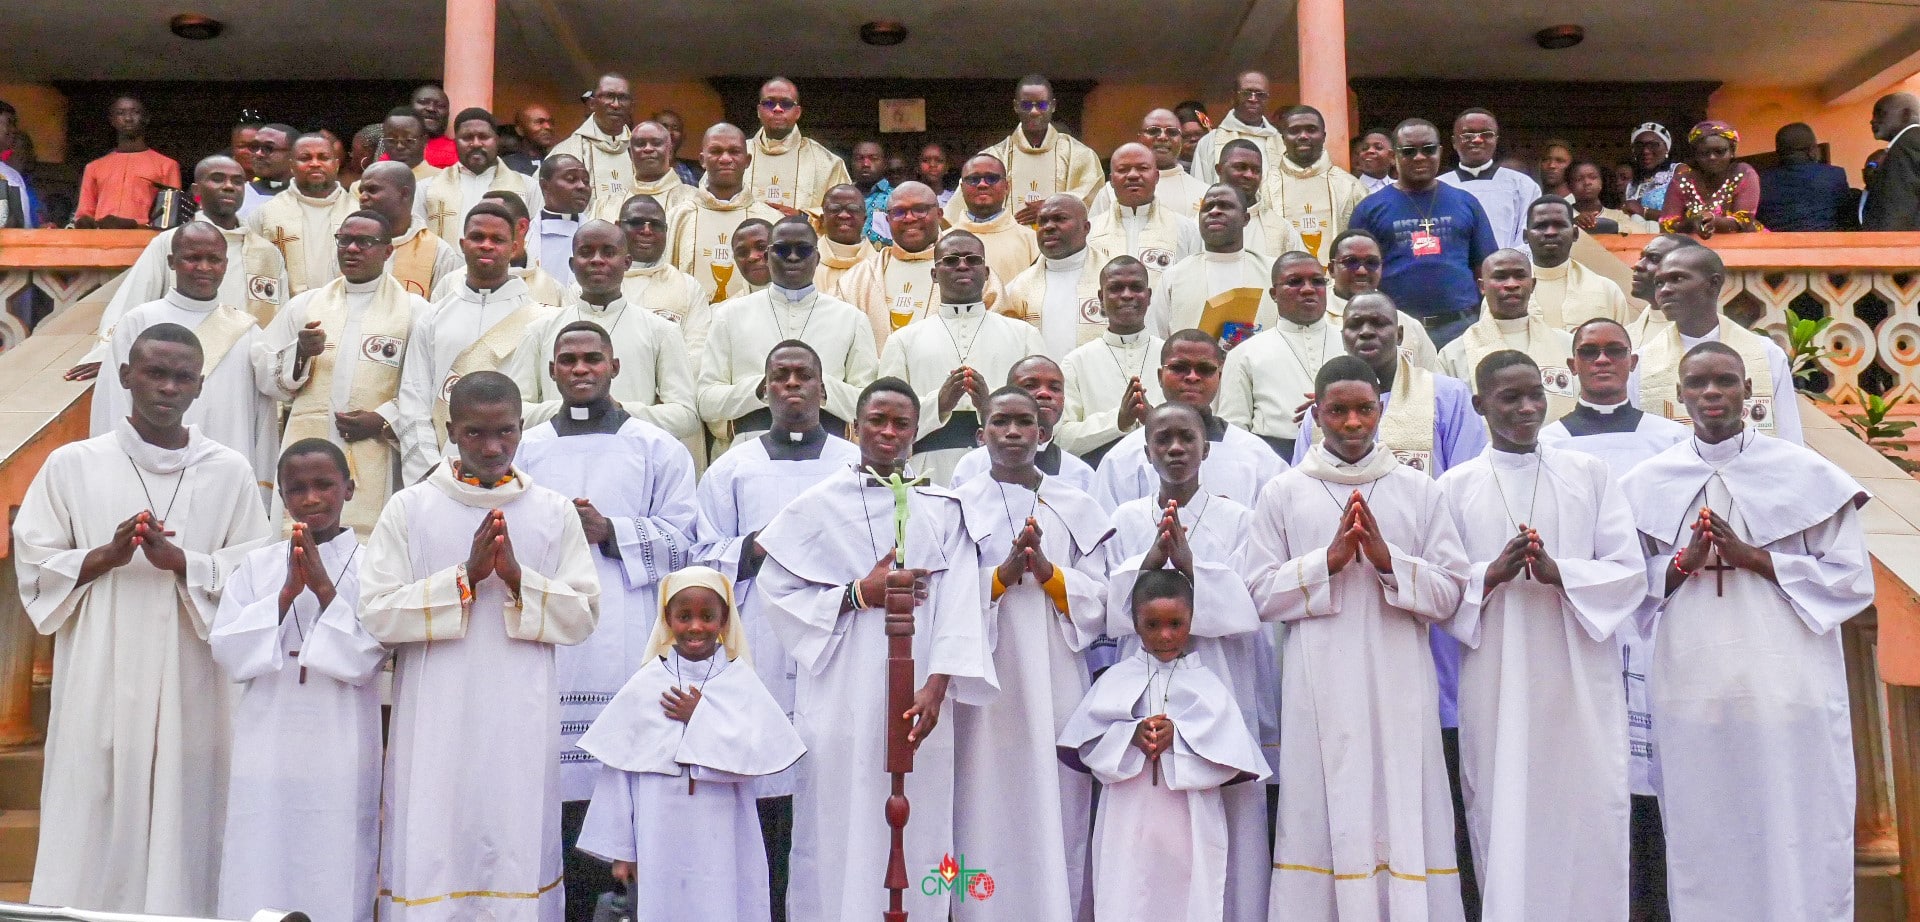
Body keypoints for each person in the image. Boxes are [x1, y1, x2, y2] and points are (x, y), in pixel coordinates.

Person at [16, 322, 270, 915]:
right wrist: (103, 556)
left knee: (187, 806)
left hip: (192, 672)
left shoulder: (228, 470)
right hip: (101, 668)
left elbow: (255, 571)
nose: (167, 388)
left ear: (200, 386)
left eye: (183, 377)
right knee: (93, 799)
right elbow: (33, 560)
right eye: (155, 373)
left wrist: (184, 562)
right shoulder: (73, 465)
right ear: (126, 375)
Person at [1621, 343, 1874, 921]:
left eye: (1725, 382)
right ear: (1680, 396)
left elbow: (1851, 581)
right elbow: (1624, 587)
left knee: (1795, 826)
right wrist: (1682, 564)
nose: (1712, 394)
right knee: (1707, 833)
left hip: (1790, 688)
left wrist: (1757, 558)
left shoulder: (1804, 473)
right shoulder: (1647, 482)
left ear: (1749, 393)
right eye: (1698, 384)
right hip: (1693, 692)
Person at [360, 371, 599, 922]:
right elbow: (375, 612)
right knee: (435, 830)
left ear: (522, 428)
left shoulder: (551, 510)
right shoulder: (410, 508)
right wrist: (464, 579)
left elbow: (584, 613)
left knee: (514, 827)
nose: (493, 448)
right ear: (450, 430)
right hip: (436, 715)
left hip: (520, 710)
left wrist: (519, 580)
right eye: (475, 434)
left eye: (506, 433)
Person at [755, 377, 992, 921]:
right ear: (853, 428)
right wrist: (861, 593)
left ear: (916, 432)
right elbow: (777, 593)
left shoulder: (944, 509)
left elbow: (961, 600)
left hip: (921, 698)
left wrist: (938, 685)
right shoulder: (815, 508)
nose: (888, 432)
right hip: (844, 690)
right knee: (842, 815)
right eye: (877, 421)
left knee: (925, 818)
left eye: (901, 423)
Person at [1249, 355, 1470, 922]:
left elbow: (1449, 594)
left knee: (1401, 799)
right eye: (1338, 411)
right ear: (1316, 414)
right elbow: (1256, 595)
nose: (1352, 423)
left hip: (1400, 677)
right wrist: (1327, 561)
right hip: (1316, 681)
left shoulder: (1420, 491)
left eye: (1364, 410)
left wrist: (1386, 560)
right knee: (1323, 804)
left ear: (1381, 410)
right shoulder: (1283, 491)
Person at [1438, 350, 1645, 922]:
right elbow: (1443, 589)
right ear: (1480, 405)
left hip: (1580, 676)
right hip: (1498, 680)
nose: (1528, 408)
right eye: (1510, 397)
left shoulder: (1588, 474)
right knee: (1504, 807)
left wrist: (1560, 574)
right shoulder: (1454, 488)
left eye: (1536, 394)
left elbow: (1628, 572)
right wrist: (1491, 576)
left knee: (1589, 805)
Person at [514, 319, 698, 920]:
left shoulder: (656, 447)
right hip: (544, 627)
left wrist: (612, 532)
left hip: (625, 621)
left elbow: (688, 540)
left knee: (618, 778)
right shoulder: (527, 448)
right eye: (567, 360)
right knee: (549, 784)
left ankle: (622, 898)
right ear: (551, 372)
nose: (580, 369)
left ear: (615, 366)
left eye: (592, 358)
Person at [692, 340, 860, 912]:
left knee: (829, 786)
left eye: (804, 375)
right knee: (765, 798)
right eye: (780, 376)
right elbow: (700, 554)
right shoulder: (733, 468)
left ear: (823, 389)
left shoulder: (852, 464)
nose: (792, 385)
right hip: (758, 642)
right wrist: (756, 546)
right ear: (764, 390)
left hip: (839, 641)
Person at [1100, 401, 1278, 920]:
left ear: (1205, 447)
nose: (1175, 449)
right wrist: (1150, 566)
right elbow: (1106, 614)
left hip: (1222, 675)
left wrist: (1193, 568)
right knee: (1153, 821)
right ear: (1147, 449)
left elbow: (1253, 605)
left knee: (1229, 811)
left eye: (1187, 438)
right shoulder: (1126, 519)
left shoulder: (1240, 518)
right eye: (1163, 440)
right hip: (1146, 682)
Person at [1540, 317, 1688, 922]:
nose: (1602, 361)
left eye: (1614, 352)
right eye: (1589, 352)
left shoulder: (1670, 440)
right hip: (1582, 619)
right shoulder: (1546, 440)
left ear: (1632, 363)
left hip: (1659, 617)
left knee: (1662, 775)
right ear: (1571, 366)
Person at [949, 385, 1112, 921]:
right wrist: (997, 580)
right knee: (981, 801)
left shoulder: (1077, 505)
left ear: (1044, 434)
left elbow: (1105, 599)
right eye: (1001, 422)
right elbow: (942, 600)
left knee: (1056, 800)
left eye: (1026, 422)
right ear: (981, 434)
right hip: (982, 684)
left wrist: (1048, 573)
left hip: (1056, 676)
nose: (1014, 432)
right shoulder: (955, 506)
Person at [209, 440, 386, 922]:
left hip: (341, 743)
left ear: (349, 488)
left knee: (336, 857)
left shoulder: (375, 565)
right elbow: (230, 652)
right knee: (260, 851)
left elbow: (368, 658)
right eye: (297, 489)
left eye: (324, 485)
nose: (311, 499)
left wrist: (325, 590)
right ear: (282, 498)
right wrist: (285, 593)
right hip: (267, 741)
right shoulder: (257, 567)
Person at [574, 565, 805, 922]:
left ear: (724, 619)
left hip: (724, 835)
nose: (696, 626)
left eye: (707, 616)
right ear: (667, 618)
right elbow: (618, 774)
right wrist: (622, 850)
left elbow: (755, 752)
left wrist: (701, 717)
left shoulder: (741, 682)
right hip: (658, 832)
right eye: (684, 616)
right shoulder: (646, 683)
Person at [1059, 569, 1269, 922]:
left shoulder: (1208, 684)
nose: (1165, 635)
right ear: (1135, 624)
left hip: (1190, 821)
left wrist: (1181, 737)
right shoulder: (1115, 679)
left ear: (1191, 620)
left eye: (1175, 623)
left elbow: (1232, 758)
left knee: (1188, 898)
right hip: (1128, 820)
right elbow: (1087, 748)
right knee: (1126, 895)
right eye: (1152, 624)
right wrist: (1129, 735)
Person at [260, 210, 430, 534]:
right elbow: (265, 374)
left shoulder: (414, 311)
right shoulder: (306, 305)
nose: (352, 249)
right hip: (310, 442)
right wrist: (300, 354)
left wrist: (384, 419)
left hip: (376, 450)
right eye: (345, 240)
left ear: (388, 250)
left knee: (366, 550)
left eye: (364, 242)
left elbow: (425, 385)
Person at [93, 224, 289, 498]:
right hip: (143, 472)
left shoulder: (247, 332)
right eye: (192, 258)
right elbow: (113, 401)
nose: (204, 268)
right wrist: (113, 466)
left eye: (214, 260)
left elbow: (264, 414)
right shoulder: (139, 321)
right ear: (172, 262)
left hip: (222, 480)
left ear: (225, 264)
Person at [77, 155, 287, 383]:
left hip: (246, 373)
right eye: (217, 179)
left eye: (237, 182)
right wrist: (107, 352)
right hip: (179, 372)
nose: (229, 186)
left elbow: (280, 318)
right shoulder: (171, 242)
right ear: (196, 189)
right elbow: (133, 298)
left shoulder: (266, 253)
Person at [397, 202, 560, 483]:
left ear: (514, 247)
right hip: (443, 470)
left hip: (518, 471)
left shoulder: (542, 321)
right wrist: (431, 471)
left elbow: (545, 404)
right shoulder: (433, 318)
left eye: (497, 239)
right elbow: (414, 398)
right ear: (462, 243)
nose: (486, 245)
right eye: (477, 237)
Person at [508, 220, 700, 443]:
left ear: (627, 262)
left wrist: (616, 410)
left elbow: (686, 416)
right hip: (557, 455)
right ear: (572, 264)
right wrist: (570, 409)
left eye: (608, 252)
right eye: (586, 252)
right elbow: (515, 412)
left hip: (631, 454)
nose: (597, 260)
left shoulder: (661, 330)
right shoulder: (539, 330)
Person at [878, 231, 1046, 485]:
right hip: (929, 468)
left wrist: (989, 407)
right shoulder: (903, 340)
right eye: (951, 260)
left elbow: (1042, 410)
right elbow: (886, 416)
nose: (963, 265)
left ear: (986, 272)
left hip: (1004, 466)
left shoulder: (1024, 335)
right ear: (934, 274)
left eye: (972, 259)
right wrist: (940, 405)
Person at [699, 217, 878, 448]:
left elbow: (867, 404)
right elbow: (706, 401)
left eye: (803, 250)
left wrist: (819, 388)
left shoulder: (852, 319)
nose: (793, 257)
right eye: (782, 250)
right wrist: (762, 387)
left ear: (817, 258)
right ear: (766, 257)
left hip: (830, 450)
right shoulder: (730, 315)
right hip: (752, 448)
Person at [1295, 291, 1487, 475]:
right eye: (1355, 325)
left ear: (1399, 334)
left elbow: (1466, 479)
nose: (1366, 332)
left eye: (1379, 323)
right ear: (1343, 337)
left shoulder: (1448, 395)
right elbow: (1300, 486)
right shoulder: (1322, 410)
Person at [1093, 330, 1284, 511]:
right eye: (1179, 368)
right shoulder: (1122, 458)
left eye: (1205, 369)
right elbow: (1106, 535)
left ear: (1219, 376)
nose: (1192, 377)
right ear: (1160, 377)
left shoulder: (1257, 456)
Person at [1348, 118, 1499, 348]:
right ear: (1393, 157)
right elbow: (1356, 272)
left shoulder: (1466, 202)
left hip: (1462, 326)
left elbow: (1486, 267)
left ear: (1439, 151)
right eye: (1409, 151)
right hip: (1397, 328)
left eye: (1428, 149)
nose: (1419, 157)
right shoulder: (1369, 208)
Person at [1636, 245, 1802, 445]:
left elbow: (1789, 434)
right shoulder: (1642, 363)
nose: (1664, 291)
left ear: (1713, 283)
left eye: (1677, 279)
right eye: (1659, 283)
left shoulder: (1766, 353)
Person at [837, 181, 1007, 345]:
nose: (909, 218)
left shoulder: (972, 272)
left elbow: (996, 337)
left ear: (939, 214)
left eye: (919, 210)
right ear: (888, 220)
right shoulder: (858, 278)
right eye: (899, 212)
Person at [1219, 251, 1344, 459]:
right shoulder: (1244, 353)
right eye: (1295, 282)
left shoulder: (1350, 344)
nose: (1308, 289)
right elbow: (1234, 432)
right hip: (1274, 459)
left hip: (1345, 457)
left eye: (1317, 281)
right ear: (1274, 293)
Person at [1438, 249, 1577, 419]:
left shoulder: (1567, 345)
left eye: (1520, 276)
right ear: (1482, 286)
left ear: (1533, 284)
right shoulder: (1453, 355)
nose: (1511, 284)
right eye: (1500, 277)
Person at [1057, 256, 1166, 464]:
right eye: (1116, 288)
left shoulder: (1170, 357)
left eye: (1136, 287)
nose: (1127, 295)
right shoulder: (1076, 362)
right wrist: (1118, 420)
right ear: (1101, 297)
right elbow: (1061, 439)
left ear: (1149, 296)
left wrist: (1154, 420)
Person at [667, 123, 783, 305]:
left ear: (747, 161)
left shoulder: (772, 219)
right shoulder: (679, 216)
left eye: (734, 151)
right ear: (702, 160)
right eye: (716, 151)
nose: (725, 159)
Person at [1149, 184, 1278, 346]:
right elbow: (1159, 341)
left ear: (1246, 219)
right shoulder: (1174, 277)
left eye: (1226, 206)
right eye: (1207, 207)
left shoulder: (1272, 272)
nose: (1214, 211)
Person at [947, 355, 1099, 492]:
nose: (1044, 393)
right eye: (1030, 385)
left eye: (1054, 388)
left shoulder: (1081, 474)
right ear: (1009, 394)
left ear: (1063, 399)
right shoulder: (972, 465)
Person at [1003, 194, 1116, 357]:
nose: (1048, 227)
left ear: (1086, 228)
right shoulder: (1018, 287)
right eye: (1042, 221)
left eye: (1060, 219)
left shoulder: (1115, 279)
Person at [984, 75, 1104, 223]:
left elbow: (1096, 198)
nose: (1034, 112)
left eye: (1041, 105)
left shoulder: (1080, 155)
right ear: (1016, 106)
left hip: (1063, 245)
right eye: (1026, 105)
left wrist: (1053, 207)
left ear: (1053, 106)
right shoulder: (993, 157)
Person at [250, 131, 356, 296]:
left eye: (323, 157)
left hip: (345, 307)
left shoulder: (357, 212)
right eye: (305, 158)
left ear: (336, 164)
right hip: (287, 311)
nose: (315, 163)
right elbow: (252, 268)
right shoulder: (266, 213)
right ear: (291, 165)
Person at [1324, 229, 1441, 370]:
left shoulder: (1409, 325)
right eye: (1351, 262)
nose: (1361, 270)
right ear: (1331, 269)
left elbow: (1434, 384)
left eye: (1371, 262)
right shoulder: (1317, 322)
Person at [423, 108, 544, 242]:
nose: (476, 143)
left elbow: (535, 240)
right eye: (467, 138)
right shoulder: (427, 188)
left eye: (484, 137)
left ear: (497, 140)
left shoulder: (528, 186)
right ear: (455, 142)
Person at [1087, 142, 1202, 281]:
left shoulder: (1185, 229)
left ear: (1157, 177)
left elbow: (1194, 281)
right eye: (1123, 169)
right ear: (1111, 180)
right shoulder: (1090, 232)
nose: (1133, 175)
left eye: (1142, 168)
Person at [1273, 105, 1371, 264]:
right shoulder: (1265, 188)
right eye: (1294, 130)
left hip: (1337, 285)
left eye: (1311, 129)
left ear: (1323, 136)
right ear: (1283, 137)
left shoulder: (1351, 187)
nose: (1303, 136)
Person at [744, 77, 851, 218]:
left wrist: (803, 216)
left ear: (798, 112)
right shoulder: (736, 154)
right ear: (758, 111)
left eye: (786, 104)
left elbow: (847, 209)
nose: (777, 109)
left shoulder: (828, 163)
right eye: (769, 103)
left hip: (803, 239)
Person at [1437, 109, 1542, 251]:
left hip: (1509, 269)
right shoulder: (1438, 186)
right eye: (1468, 135)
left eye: (1486, 134)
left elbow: (1529, 234)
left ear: (1496, 140)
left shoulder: (1523, 185)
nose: (1477, 140)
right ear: (1454, 142)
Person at [358, 160, 463, 297]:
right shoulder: (348, 244)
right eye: (361, 191)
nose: (363, 197)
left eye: (372, 190)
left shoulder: (440, 253)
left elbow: (442, 311)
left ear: (404, 193)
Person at [1525, 197, 1633, 331]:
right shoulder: (1503, 291)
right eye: (1540, 226)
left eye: (1559, 225)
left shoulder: (1607, 290)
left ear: (1575, 234)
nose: (1550, 232)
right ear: (1525, 235)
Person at [74, 95, 180, 229]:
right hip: (100, 242)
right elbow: (84, 213)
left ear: (146, 118)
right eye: (120, 113)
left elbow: (169, 220)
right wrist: (85, 222)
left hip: (145, 243)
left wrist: (134, 225)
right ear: (112, 120)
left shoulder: (167, 165)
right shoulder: (94, 167)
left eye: (135, 112)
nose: (128, 118)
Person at [945, 153, 1043, 285]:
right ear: (962, 188)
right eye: (974, 179)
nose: (982, 185)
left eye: (991, 178)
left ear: (1007, 187)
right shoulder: (943, 241)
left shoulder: (1033, 242)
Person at [613, 193, 708, 328]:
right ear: (617, 226)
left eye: (656, 225)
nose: (646, 231)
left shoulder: (689, 287)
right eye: (636, 223)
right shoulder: (595, 283)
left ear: (666, 230)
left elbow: (697, 345)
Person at [1090, 109, 1208, 218]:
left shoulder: (1204, 192)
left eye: (1172, 132)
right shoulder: (1111, 191)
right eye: (1153, 131)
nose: (1162, 137)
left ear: (1181, 140)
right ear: (1139, 138)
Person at [547, 74, 633, 210]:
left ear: (631, 105)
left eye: (623, 98)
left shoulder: (640, 151)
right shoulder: (565, 153)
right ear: (592, 103)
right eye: (609, 96)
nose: (616, 104)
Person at [1660, 121, 1761, 235]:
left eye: (1720, 152)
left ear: (1732, 152)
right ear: (1695, 154)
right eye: (1704, 153)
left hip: (1744, 246)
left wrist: (1714, 222)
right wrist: (1692, 223)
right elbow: (1666, 225)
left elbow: (1744, 221)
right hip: (1693, 247)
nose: (1712, 157)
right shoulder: (1683, 178)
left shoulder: (1744, 173)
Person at [1216, 139, 1309, 260]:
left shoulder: (1282, 229)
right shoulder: (1197, 225)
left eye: (1256, 170)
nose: (1249, 175)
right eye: (1240, 167)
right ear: (1219, 170)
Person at [1190, 71, 1282, 189]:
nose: (1253, 99)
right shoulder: (1209, 141)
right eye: (1246, 93)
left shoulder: (1280, 143)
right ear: (1233, 96)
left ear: (1267, 99)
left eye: (1260, 94)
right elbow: (1199, 188)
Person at [1757, 123, 1851, 232]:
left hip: (1778, 247)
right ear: (1812, 151)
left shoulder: (1761, 181)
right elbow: (1847, 217)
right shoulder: (1835, 175)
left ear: (1778, 153)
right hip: (1826, 245)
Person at [595, 119, 693, 220]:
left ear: (670, 151)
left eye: (656, 143)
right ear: (630, 153)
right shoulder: (606, 205)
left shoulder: (693, 200)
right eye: (640, 144)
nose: (648, 149)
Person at [1864, 93, 1920, 230]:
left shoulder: (1907, 145)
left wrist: (1887, 247)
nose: (1872, 121)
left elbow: (1898, 208)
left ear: (1906, 115)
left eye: (1880, 113)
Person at [814, 182, 874, 291]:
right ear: (822, 219)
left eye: (853, 209)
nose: (844, 215)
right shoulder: (807, 262)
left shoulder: (879, 265)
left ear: (864, 219)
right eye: (835, 209)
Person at [238, 123, 297, 222]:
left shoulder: (312, 198)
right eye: (255, 146)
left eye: (268, 148)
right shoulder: (237, 195)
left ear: (293, 155)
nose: (258, 154)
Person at [1567, 159, 1645, 234]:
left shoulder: (1617, 215)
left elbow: (1640, 232)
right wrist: (1573, 223)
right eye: (1579, 179)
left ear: (1601, 183)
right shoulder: (1563, 215)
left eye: (1593, 177)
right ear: (1569, 186)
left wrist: (1609, 226)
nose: (1587, 182)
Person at [1622, 123, 1678, 225]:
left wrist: (1644, 212)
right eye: (1639, 145)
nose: (1645, 151)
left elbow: (1689, 218)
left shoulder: (1678, 172)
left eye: (1653, 145)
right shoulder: (1631, 186)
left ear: (1666, 148)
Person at [379, 108, 443, 189]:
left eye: (408, 140)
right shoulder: (372, 182)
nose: (399, 146)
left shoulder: (442, 180)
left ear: (424, 141)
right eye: (391, 140)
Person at [851, 139, 893, 244]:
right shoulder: (841, 198)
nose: (865, 164)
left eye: (873, 158)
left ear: (885, 164)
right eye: (859, 158)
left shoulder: (897, 197)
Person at [411, 84, 457, 168]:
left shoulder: (459, 152)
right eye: (423, 102)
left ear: (448, 114)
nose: (431, 108)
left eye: (440, 106)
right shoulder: (389, 143)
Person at [653, 108, 702, 185]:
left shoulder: (696, 173)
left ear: (683, 137)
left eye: (675, 128)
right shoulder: (637, 169)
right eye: (664, 127)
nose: (669, 132)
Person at [503, 104, 556, 174]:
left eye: (550, 122)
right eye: (539, 122)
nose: (548, 127)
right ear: (520, 130)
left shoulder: (560, 162)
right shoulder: (506, 166)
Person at [1351, 128, 1396, 193]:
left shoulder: (1403, 190)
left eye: (1378, 147)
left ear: (1392, 157)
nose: (1369, 151)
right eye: (1365, 148)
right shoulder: (1349, 189)